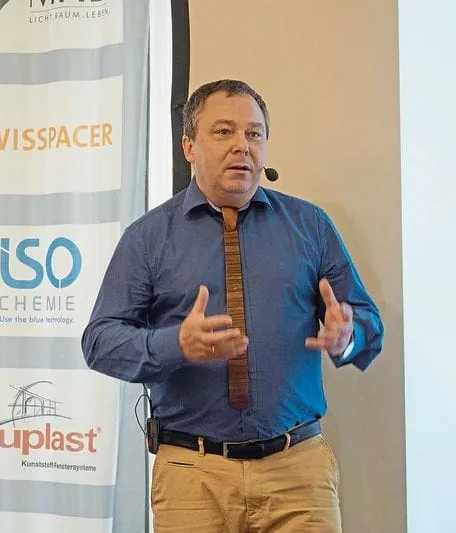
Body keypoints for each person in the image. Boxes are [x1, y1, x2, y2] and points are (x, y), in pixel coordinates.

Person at [81, 79, 383, 532]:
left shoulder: (310, 226)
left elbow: (367, 325)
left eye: (254, 133)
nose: (242, 145)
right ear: (188, 146)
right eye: (223, 132)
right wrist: (175, 345)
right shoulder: (148, 238)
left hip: (297, 473)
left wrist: (348, 336)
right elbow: (100, 342)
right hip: (192, 474)